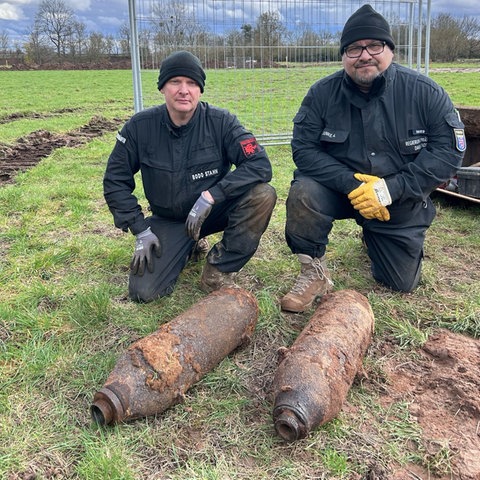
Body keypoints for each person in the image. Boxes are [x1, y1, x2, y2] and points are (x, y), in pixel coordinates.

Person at [281, 4, 466, 313]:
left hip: (397, 197)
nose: (364, 55)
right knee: (304, 193)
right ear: (343, 56)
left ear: (390, 50)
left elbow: (449, 151)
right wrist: (353, 184)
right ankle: (313, 271)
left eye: (374, 46)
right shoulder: (321, 95)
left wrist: (388, 190)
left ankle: (377, 237)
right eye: (353, 48)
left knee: (399, 282)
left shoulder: (425, 93)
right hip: (341, 192)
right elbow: (303, 149)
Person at [104, 50, 276, 303]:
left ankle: (219, 269)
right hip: (171, 219)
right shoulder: (139, 127)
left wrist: (212, 195)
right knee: (144, 293)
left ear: (200, 90)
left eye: (192, 83)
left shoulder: (222, 122)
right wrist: (140, 229)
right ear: (162, 88)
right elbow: (115, 181)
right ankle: (188, 245)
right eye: (175, 82)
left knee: (262, 194)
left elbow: (260, 165)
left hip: (213, 211)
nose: (184, 90)